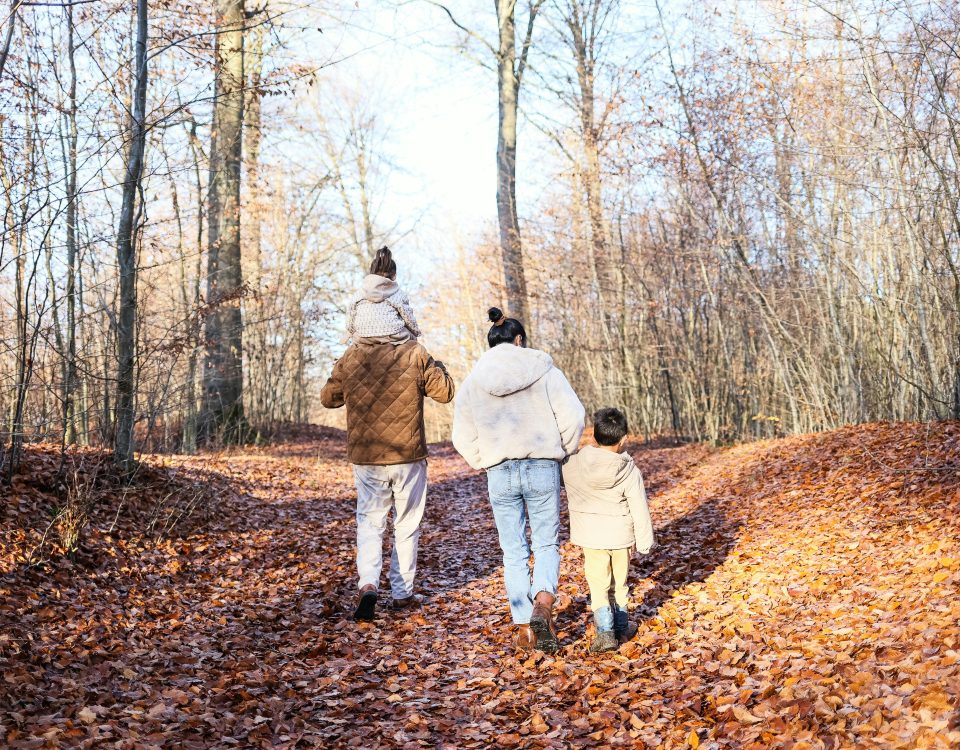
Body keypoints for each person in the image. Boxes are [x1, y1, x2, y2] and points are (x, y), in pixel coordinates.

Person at [452, 307, 585, 652]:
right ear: (519, 339)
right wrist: (562, 450)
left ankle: (525, 628)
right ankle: (543, 600)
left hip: (500, 470)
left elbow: (462, 434)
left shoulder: (473, 381)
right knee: (545, 543)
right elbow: (573, 416)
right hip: (542, 464)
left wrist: (483, 460)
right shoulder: (544, 370)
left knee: (513, 552)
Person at [320, 328, 454, 622]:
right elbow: (444, 393)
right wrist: (437, 365)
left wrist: (344, 373)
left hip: (367, 457)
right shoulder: (414, 351)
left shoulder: (353, 355)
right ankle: (402, 593)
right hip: (408, 456)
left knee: (370, 523)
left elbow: (329, 398)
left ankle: (368, 584)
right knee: (407, 524)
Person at [562, 407, 654, 653]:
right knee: (620, 584)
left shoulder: (574, 464)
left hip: (591, 537)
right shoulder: (629, 470)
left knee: (598, 584)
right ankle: (622, 626)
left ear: (594, 436)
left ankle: (605, 634)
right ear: (623, 439)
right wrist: (644, 542)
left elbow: (560, 473)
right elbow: (639, 508)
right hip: (621, 537)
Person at [344, 246, 421, 344]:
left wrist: (351, 331)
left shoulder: (359, 293)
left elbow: (350, 317)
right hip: (392, 334)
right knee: (411, 338)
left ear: (371, 273)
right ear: (394, 275)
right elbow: (408, 317)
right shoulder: (398, 293)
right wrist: (416, 332)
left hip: (363, 336)